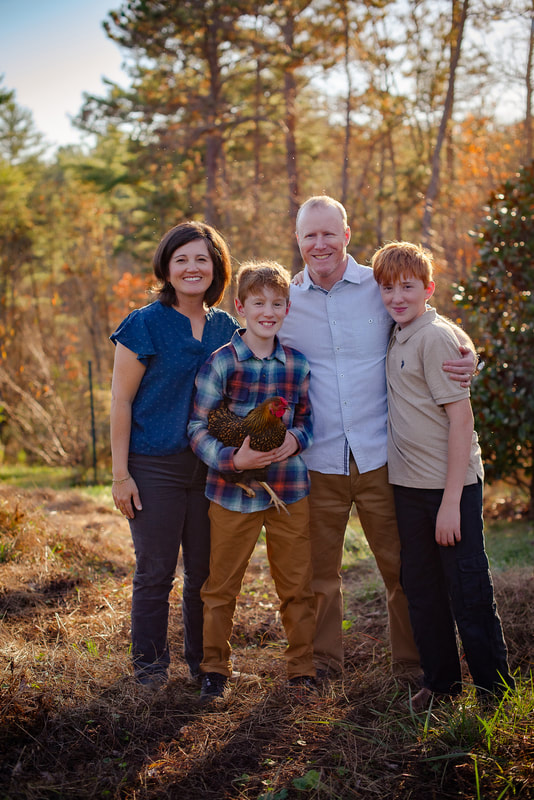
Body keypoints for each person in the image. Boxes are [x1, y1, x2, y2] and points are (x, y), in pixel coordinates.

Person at [279, 195, 477, 679]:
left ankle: (414, 665)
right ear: (299, 240)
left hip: (383, 456)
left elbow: (434, 325)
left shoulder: (380, 285)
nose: (320, 244)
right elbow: (251, 337)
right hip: (319, 460)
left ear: (347, 234)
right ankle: (323, 664)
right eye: (310, 235)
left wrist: (470, 354)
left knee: (403, 572)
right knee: (319, 575)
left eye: (330, 233)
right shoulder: (287, 300)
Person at [372, 240, 514, 709]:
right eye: (388, 288)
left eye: (408, 287)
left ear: (429, 289)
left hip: (452, 489)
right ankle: (441, 684)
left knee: (468, 592)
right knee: (422, 590)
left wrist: (452, 500)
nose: (397, 297)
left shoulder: (435, 337)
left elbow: (462, 420)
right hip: (409, 490)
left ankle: (495, 692)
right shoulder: (398, 332)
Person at [109, 221, 239, 687]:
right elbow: (121, 401)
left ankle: (205, 667)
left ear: (215, 267)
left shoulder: (228, 327)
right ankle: (149, 670)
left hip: (211, 468)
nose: (191, 267)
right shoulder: (143, 324)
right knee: (155, 572)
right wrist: (120, 474)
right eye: (181, 258)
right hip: (153, 464)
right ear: (166, 266)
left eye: (202, 258)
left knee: (205, 574)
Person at [188, 261, 316, 702]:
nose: (268, 311)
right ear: (240, 306)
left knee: (297, 584)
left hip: (288, 489)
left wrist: (296, 441)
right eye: (258, 303)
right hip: (230, 491)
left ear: (287, 308)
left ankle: (302, 669)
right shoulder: (220, 363)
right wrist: (230, 459)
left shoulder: (297, 365)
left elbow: (308, 420)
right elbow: (197, 428)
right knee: (221, 585)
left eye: (277, 304)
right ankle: (214, 669)